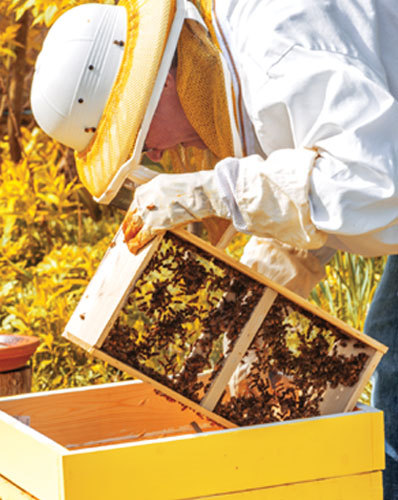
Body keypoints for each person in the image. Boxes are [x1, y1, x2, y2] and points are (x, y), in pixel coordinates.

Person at [30, 0, 398, 496]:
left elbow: (378, 188)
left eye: (138, 140)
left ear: (155, 83)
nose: (153, 156)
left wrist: (217, 191)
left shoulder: (280, 47)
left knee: (392, 368)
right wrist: (272, 274)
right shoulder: (234, 59)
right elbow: (315, 159)